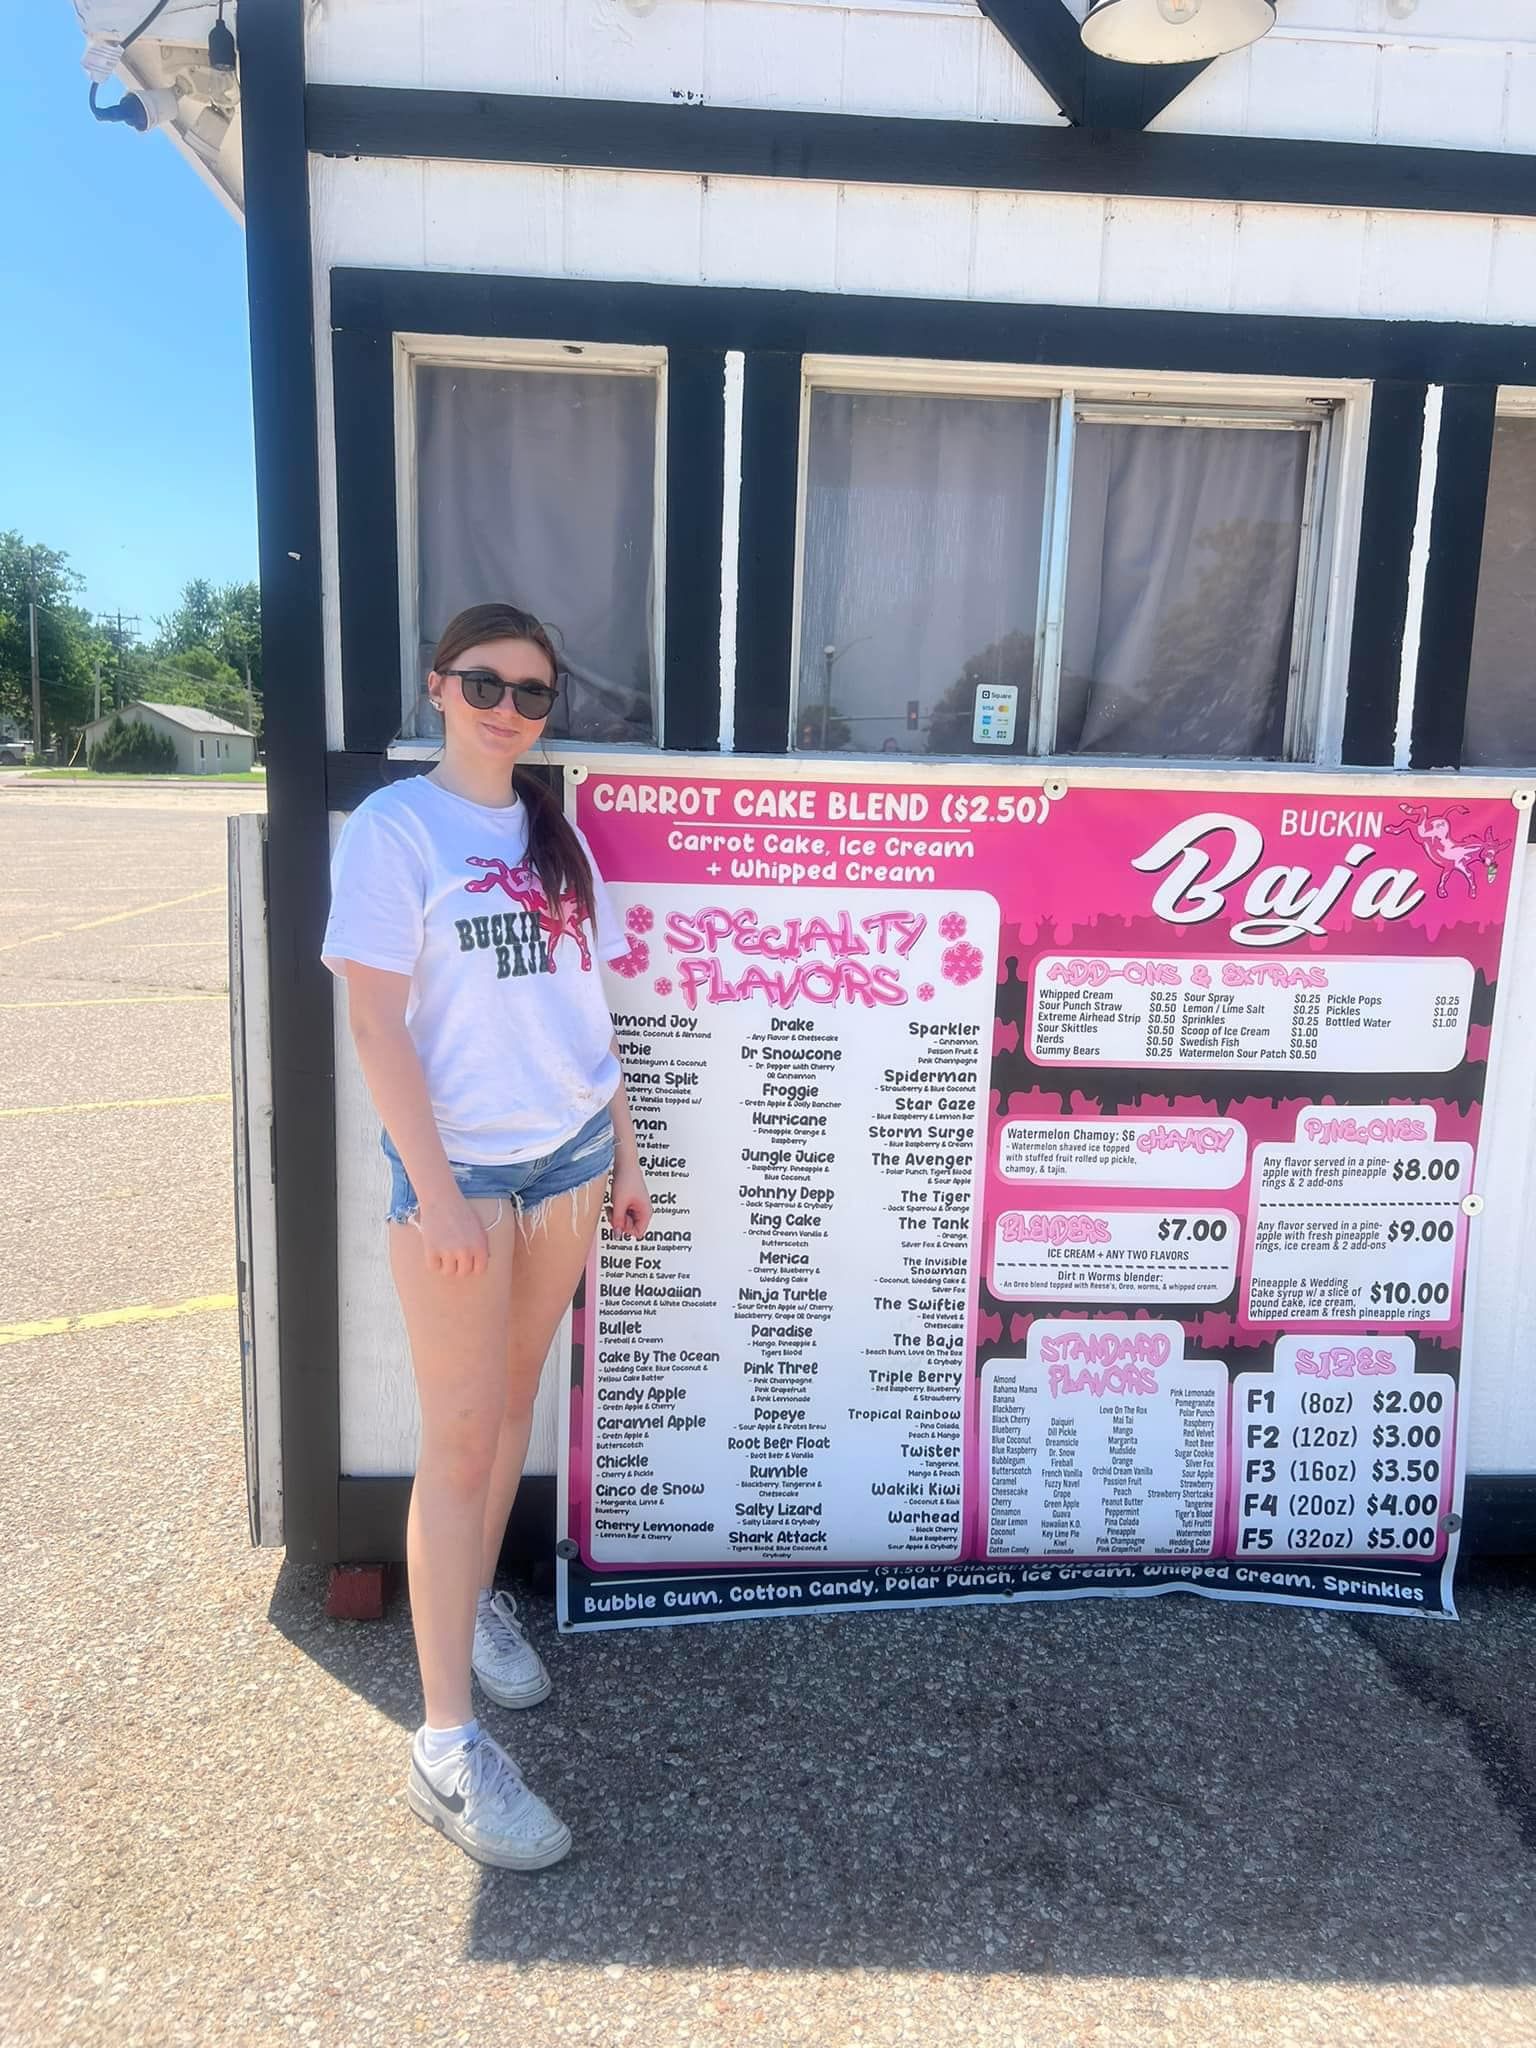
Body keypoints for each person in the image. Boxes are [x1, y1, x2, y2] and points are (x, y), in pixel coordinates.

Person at [321, 601, 651, 1872]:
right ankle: (445, 1744)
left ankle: (471, 1609)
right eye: (485, 682)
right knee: (457, 1441)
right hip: (459, 1178)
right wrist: (437, 1187)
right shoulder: (398, 830)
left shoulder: (554, 834)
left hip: (569, 1158)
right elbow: (375, 1026)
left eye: (532, 691)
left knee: (510, 1405)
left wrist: (624, 1151)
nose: (509, 707)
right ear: (437, 686)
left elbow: (589, 1009)